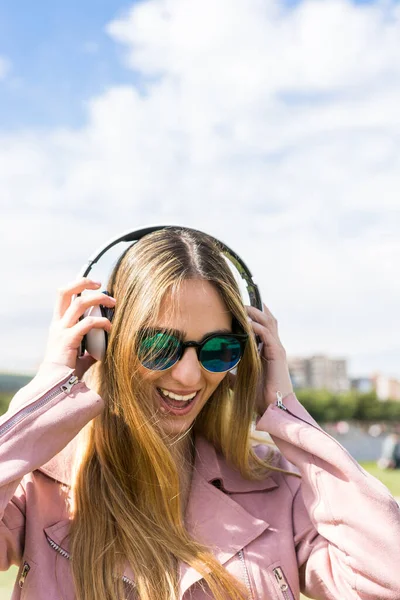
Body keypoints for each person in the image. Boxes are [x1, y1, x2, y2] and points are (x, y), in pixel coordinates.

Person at [1, 226, 399, 600]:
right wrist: (43, 397)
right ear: (102, 341)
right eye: (158, 345)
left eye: (218, 350)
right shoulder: (38, 484)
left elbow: (388, 575)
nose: (190, 376)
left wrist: (285, 411)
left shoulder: (274, 486)